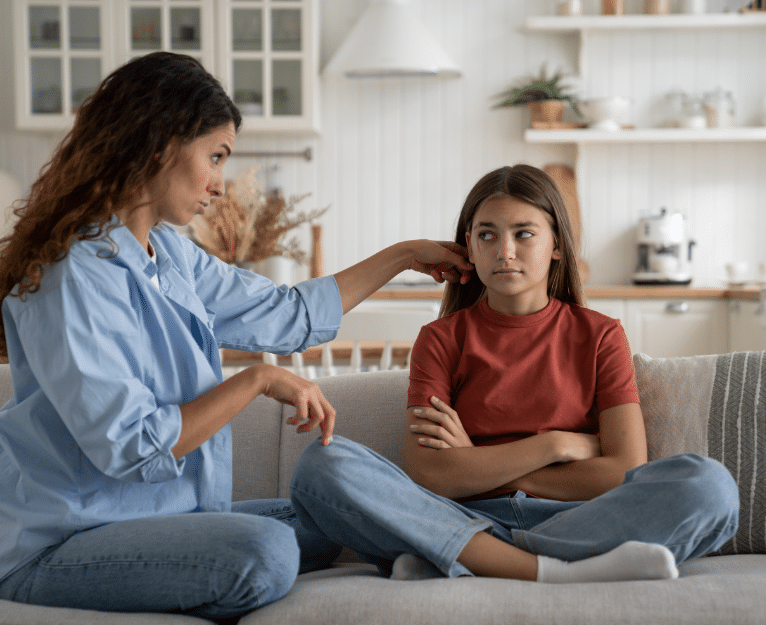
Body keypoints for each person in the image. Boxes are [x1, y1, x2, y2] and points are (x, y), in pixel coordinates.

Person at [0, 51, 472, 622]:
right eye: (215, 157)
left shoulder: (171, 253)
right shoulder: (71, 275)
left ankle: (478, 548)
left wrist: (406, 255)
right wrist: (255, 379)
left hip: (162, 523)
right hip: (63, 544)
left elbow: (286, 315)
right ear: (160, 143)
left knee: (325, 516)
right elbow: (132, 445)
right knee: (267, 550)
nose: (219, 185)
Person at [290, 164, 740, 584]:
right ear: (469, 246)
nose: (504, 252)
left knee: (710, 486)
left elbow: (621, 470)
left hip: (573, 519)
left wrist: (482, 466)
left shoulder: (601, 335)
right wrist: (555, 445)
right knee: (323, 466)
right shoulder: (441, 338)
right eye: (487, 235)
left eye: (524, 234)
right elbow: (431, 475)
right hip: (463, 516)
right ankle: (555, 570)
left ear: (557, 245)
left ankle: (467, 558)